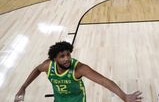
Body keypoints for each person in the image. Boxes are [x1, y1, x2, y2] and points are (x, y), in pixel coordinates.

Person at [14, 41, 142, 102]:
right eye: (62, 56)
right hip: (59, 100)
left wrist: (124, 96)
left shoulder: (79, 68)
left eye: (68, 55)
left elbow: (104, 81)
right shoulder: (48, 66)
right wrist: (23, 87)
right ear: (54, 59)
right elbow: (37, 69)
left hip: (77, 100)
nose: (67, 59)